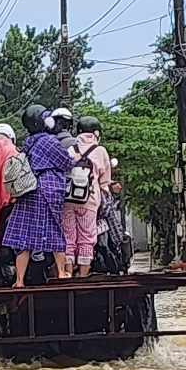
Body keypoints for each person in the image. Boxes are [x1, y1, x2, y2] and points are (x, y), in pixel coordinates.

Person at [3, 101, 76, 286]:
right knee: (54, 230)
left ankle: (19, 280)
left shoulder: (29, 141)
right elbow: (67, 162)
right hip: (48, 190)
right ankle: (61, 272)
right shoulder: (49, 141)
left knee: (24, 236)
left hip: (29, 190)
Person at [63, 115, 113, 277]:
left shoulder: (71, 150)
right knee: (86, 238)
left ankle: (67, 276)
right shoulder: (100, 151)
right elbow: (105, 182)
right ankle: (83, 276)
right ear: (96, 133)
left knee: (68, 238)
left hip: (68, 200)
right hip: (89, 201)